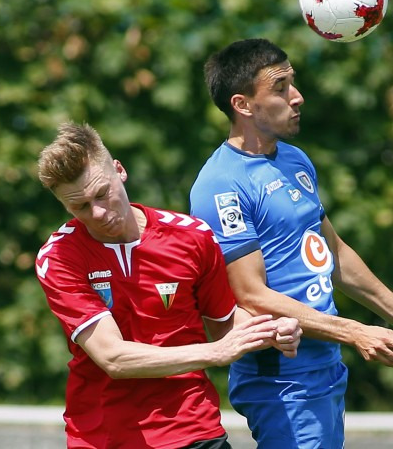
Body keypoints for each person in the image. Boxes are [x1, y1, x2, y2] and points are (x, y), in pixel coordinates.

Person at [189, 38, 393, 449]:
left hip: (325, 369)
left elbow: (335, 254)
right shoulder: (221, 184)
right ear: (242, 105)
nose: (297, 97)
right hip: (282, 379)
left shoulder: (295, 160)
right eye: (280, 87)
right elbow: (251, 295)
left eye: (293, 82)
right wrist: (354, 331)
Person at [34, 121, 301, 449]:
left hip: (193, 427)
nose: (99, 212)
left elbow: (224, 323)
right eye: (81, 207)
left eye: (102, 194)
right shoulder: (60, 257)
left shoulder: (192, 237)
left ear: (120, 171)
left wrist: (271, 330)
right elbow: (113, 358)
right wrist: (214, 352)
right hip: (104, 436)